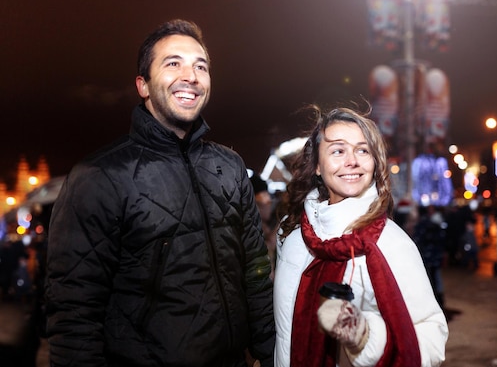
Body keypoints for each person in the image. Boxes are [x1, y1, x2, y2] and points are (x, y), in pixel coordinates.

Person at [45, 19, 275, 367]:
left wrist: (270, 353)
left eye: (201, 66)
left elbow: (256, 274)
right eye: (173, 63)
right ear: (143, 85)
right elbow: (74, 311)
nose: (191, 76)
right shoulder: (99, 176)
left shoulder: (230, 167)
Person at [273, 106, 448, 367]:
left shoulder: (391, 243)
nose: (352, 161)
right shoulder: (292, 236)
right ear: (317, 166)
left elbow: (432, 337)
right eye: (338, 150)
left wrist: (364, 335)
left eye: (363, 150)